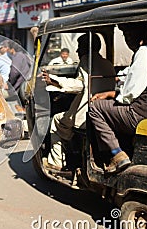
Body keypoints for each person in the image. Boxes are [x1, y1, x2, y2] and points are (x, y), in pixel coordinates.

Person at [89, 22, 147, 174]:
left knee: (95, 108)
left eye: (127, 35)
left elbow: (129, 95)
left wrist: (112, 94)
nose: (127, 40)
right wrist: (114, 89)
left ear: (135, 34)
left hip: (138, 113)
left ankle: (117, 154)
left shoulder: (145, 51)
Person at [41, 33, 116, 170]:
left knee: (57, 121)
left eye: (80, 47)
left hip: (87, 111)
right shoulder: (107, 63)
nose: (77, 51)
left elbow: (80, 85)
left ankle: (56, 162)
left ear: (86, 47)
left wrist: (54, 81)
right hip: (105, 110)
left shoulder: (87, 60)